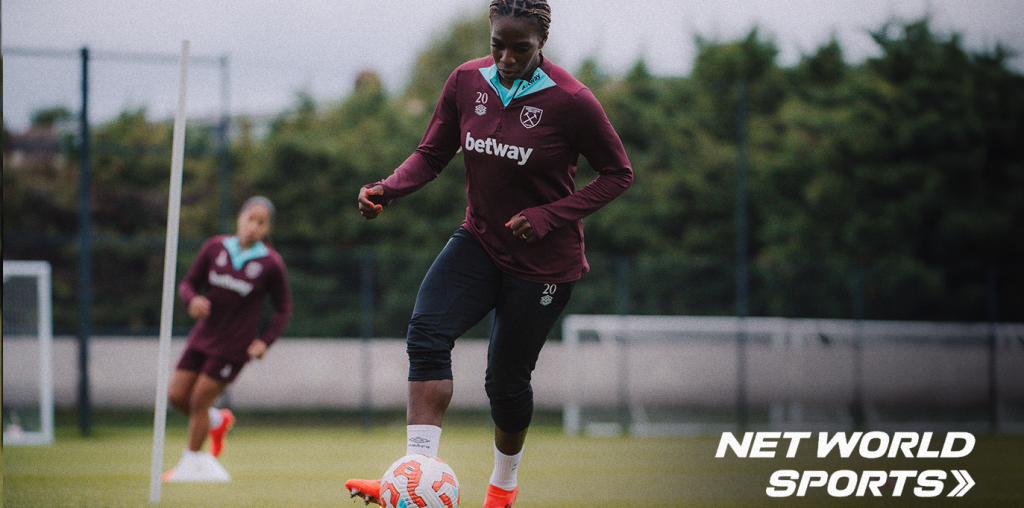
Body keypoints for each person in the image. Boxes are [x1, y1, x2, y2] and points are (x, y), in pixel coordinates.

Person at [346, 0, 632, 505]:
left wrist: (548, 215)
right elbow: (433, 153)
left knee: (505, 382)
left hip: (545, 264)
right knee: (427, 332)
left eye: (519, 49)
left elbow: (618, 174)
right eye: (497, 45)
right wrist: (386, 189)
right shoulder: (465, 81)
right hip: (479, 238)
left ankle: (502, 487)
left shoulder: (572, 100)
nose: (505, 58)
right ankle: (414, 476)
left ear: (541, 43)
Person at [163, 196, 292, 481]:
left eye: (261, 223)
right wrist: (191, 300)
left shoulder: (270, 263)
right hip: (203, 336)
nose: (253, 227)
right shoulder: (215, 247)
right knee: (176, 396)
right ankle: (216, 420)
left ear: (267, 228)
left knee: (198, 400)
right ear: (239, 218)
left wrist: (264, 341)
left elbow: (284, 308)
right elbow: (187, 284)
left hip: (235, 346)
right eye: (250, 219)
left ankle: (191, 464)